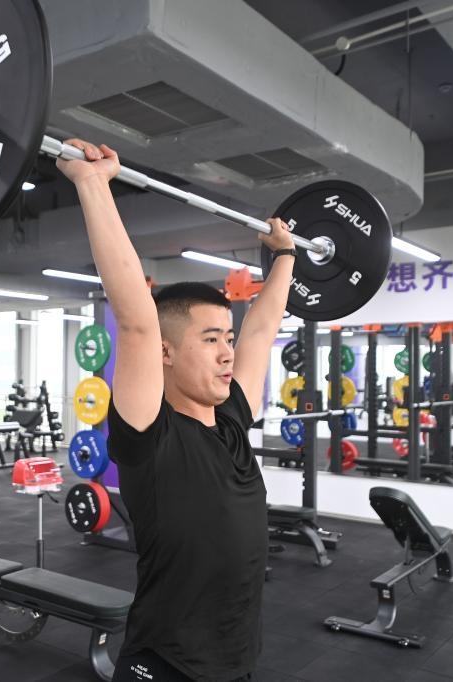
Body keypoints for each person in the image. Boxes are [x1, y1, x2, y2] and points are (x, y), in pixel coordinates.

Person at [57, 139, 295, 681]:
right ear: (165, 353)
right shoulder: (151, 435)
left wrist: (284, 255)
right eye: (210, 339)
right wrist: (93, 185)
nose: (227, 352)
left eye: (227, 338)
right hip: (166, 665)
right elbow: (137, 321)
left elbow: (262, 330)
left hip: (235, 663)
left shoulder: (231, 420)